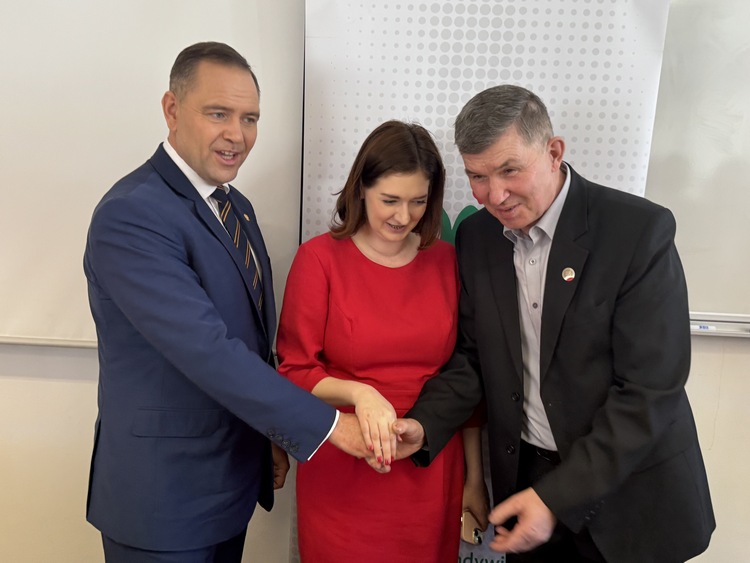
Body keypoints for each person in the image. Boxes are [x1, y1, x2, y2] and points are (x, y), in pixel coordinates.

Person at [83, 41, 380, 563]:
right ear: (172, 110)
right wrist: (331, 425)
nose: (237, 135)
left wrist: (269, 435)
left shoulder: (235, 206)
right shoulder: (132, 215)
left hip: (228, 489)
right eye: (218, 114)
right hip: (162, 501)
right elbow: (209, 351)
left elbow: (252, 341)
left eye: (250, 118)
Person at [393, 85, 715, 562]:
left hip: (629, 498)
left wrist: (558, 497)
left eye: (510, 170)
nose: (494, 195)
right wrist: (424, 424)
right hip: (528, 486)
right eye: (477, 176)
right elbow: (475, 357)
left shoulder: (636, 231)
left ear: (553, 152)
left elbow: (650, 389)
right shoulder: (479, 237)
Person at [276, 120, 488, 562]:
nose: (403, 216)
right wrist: (360, 393)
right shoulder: (319, 259)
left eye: (418, 201)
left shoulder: (448, 262)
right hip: (343, 460)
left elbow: (465, 377)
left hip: (429, 463)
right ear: (361, 190)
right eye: (390, 200)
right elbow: (294, 370)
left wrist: (474, 478)